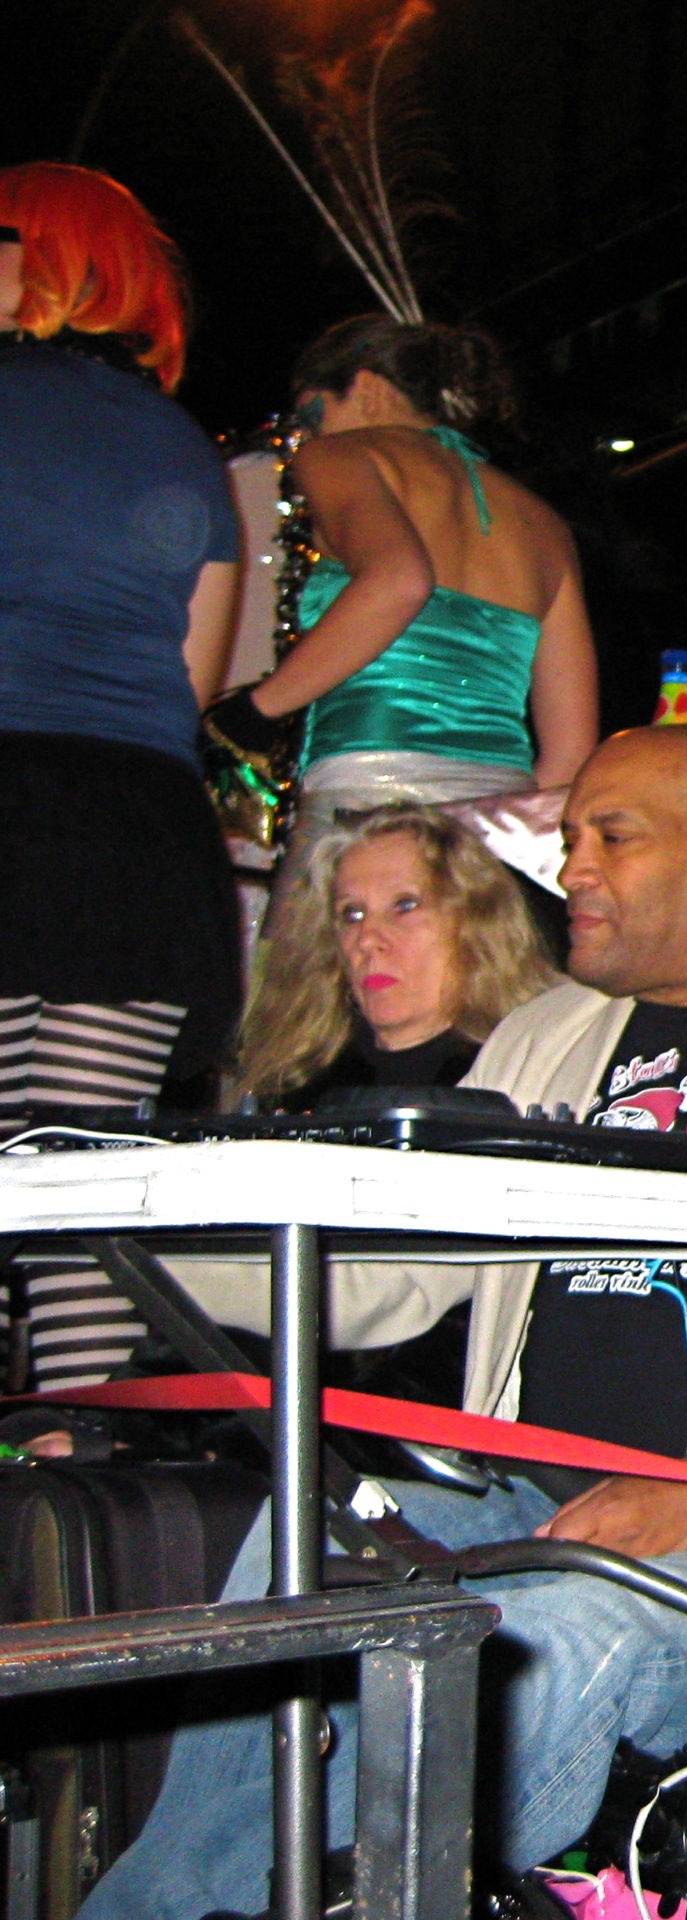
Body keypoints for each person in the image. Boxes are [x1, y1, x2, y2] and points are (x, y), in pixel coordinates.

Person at [82, 726, 687, 1918]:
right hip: (515, 1502)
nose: (571, 870)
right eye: (570, 838)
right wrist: (127, 1226)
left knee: (540, 1639)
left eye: (612, 838)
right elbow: (398, 1277)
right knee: (294, 1543)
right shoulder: (547, 1037)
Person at [0, 163, 243, 1390]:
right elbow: (193, 682)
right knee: (77, 1194)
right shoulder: (183, 449)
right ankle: (79, 1457)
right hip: (137, 838)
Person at [202, 315, 598, 866]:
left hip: (369, 802)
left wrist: (253, 712)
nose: (306, 439)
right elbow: (571, 753)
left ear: (366, 387)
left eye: (312, 416)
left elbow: (398, 581)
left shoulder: (343, 456)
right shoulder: (543, 523)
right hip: (498, 829)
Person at [237, 800, 558, 1107]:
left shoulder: (527, 1077)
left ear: (475, 921)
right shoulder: (293, 1088)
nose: (367, 939)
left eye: (404, 906)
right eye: (352, 914)